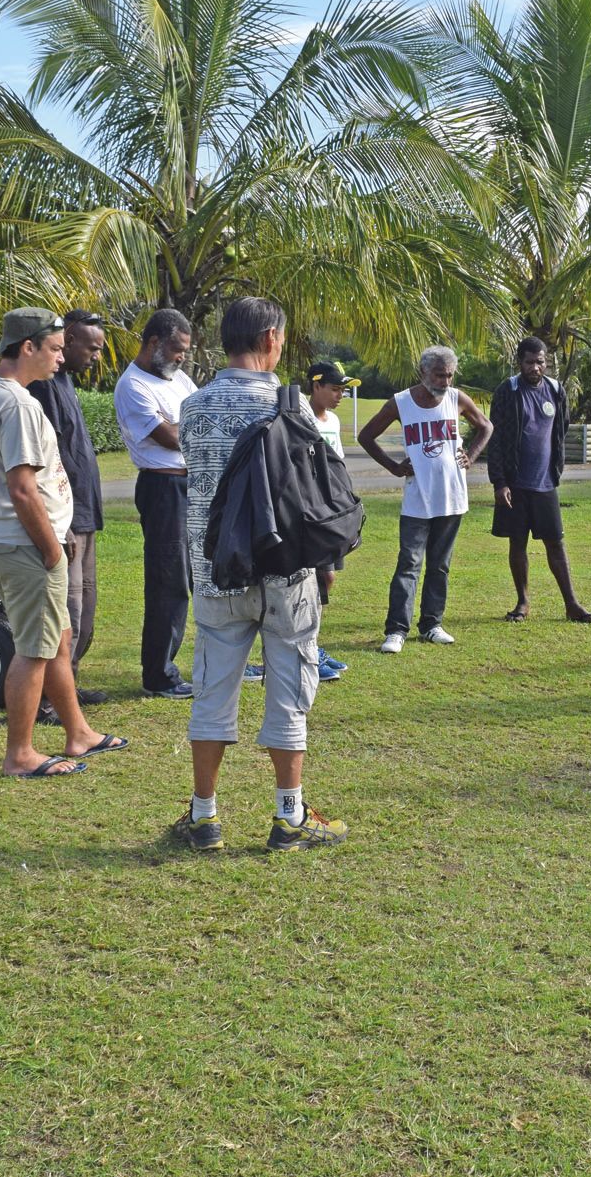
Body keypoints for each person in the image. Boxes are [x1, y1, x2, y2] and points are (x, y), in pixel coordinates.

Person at [168, 296, 347, 852]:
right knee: (289, 690)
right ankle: (288, 815)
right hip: (284, 573)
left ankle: (204, 817)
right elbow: (315, 498)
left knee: (212, 691)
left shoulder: (193, 408)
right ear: (271, 338)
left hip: (216, 570)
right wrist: (327, 563)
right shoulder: (292, 407)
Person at [0, 308, 132, 779]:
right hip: (24, 543)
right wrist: (52, 547)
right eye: (55, 349)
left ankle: (77, 731)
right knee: (35, 648)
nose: (62, 358)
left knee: (55, 640)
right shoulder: (17, 404)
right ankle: (20, 754)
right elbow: (21, 488)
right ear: (28, 347)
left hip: (11, 538)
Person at [358, 345, 493, 654]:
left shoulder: (457, 399)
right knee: (409, 564)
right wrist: (393, 467)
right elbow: (367, 436)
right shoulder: (402, 403)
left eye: (449, 375)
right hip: (418, 499)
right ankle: (396, 631)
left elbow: (486, 426)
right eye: (438, 375)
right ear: (423, 373)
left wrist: (471, 455)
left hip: (452, 497)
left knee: (440, 565)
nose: (444, 382)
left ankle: (432, 625)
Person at [27, 309, 107, 721]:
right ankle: (46, 700)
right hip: (67, 520)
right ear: (69, 338)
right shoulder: (43, 387)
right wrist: (63, 524)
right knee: (67, 611)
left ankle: (68, 688)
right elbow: (46, 460)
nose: (96, 355)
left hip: (87, 516)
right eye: (91, 347)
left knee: (86, 608)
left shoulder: (66, 382)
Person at [113, 308, 196, 700]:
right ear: (153, 343)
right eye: (177, 349)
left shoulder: (177, 378)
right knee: (169, 583)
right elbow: (171, 438)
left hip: (189, 487)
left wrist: (185, 424)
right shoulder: (133, 385)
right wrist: (187, 426)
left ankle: (208, 663)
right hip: (163, 490)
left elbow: (198, 420)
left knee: (198, 578)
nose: (182, 358)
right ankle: (158, 675)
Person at [487, 336, 591, 625]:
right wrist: (499, 482)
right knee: (517, 543)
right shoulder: (507, 391)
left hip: (545, 482)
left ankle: (572, 604)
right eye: (529, 362)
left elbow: (560, 429)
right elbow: (495, 438)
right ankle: (523, 602)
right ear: (519, 362)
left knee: (556, 543)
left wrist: (556, 468)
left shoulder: (556, 390)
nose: (535, 367)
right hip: (514, 483)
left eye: (540, 361)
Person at [306, 361, 359, 682]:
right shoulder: (298, 417)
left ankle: (313, 644)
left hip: (332, 510)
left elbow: (337, 464)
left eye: (343, 390)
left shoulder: (335, 420)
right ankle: (306, 649)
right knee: (312, 579)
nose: (340, 395)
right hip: (307, 513)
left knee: (327, 579)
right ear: (316, 386)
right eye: (335, 389)